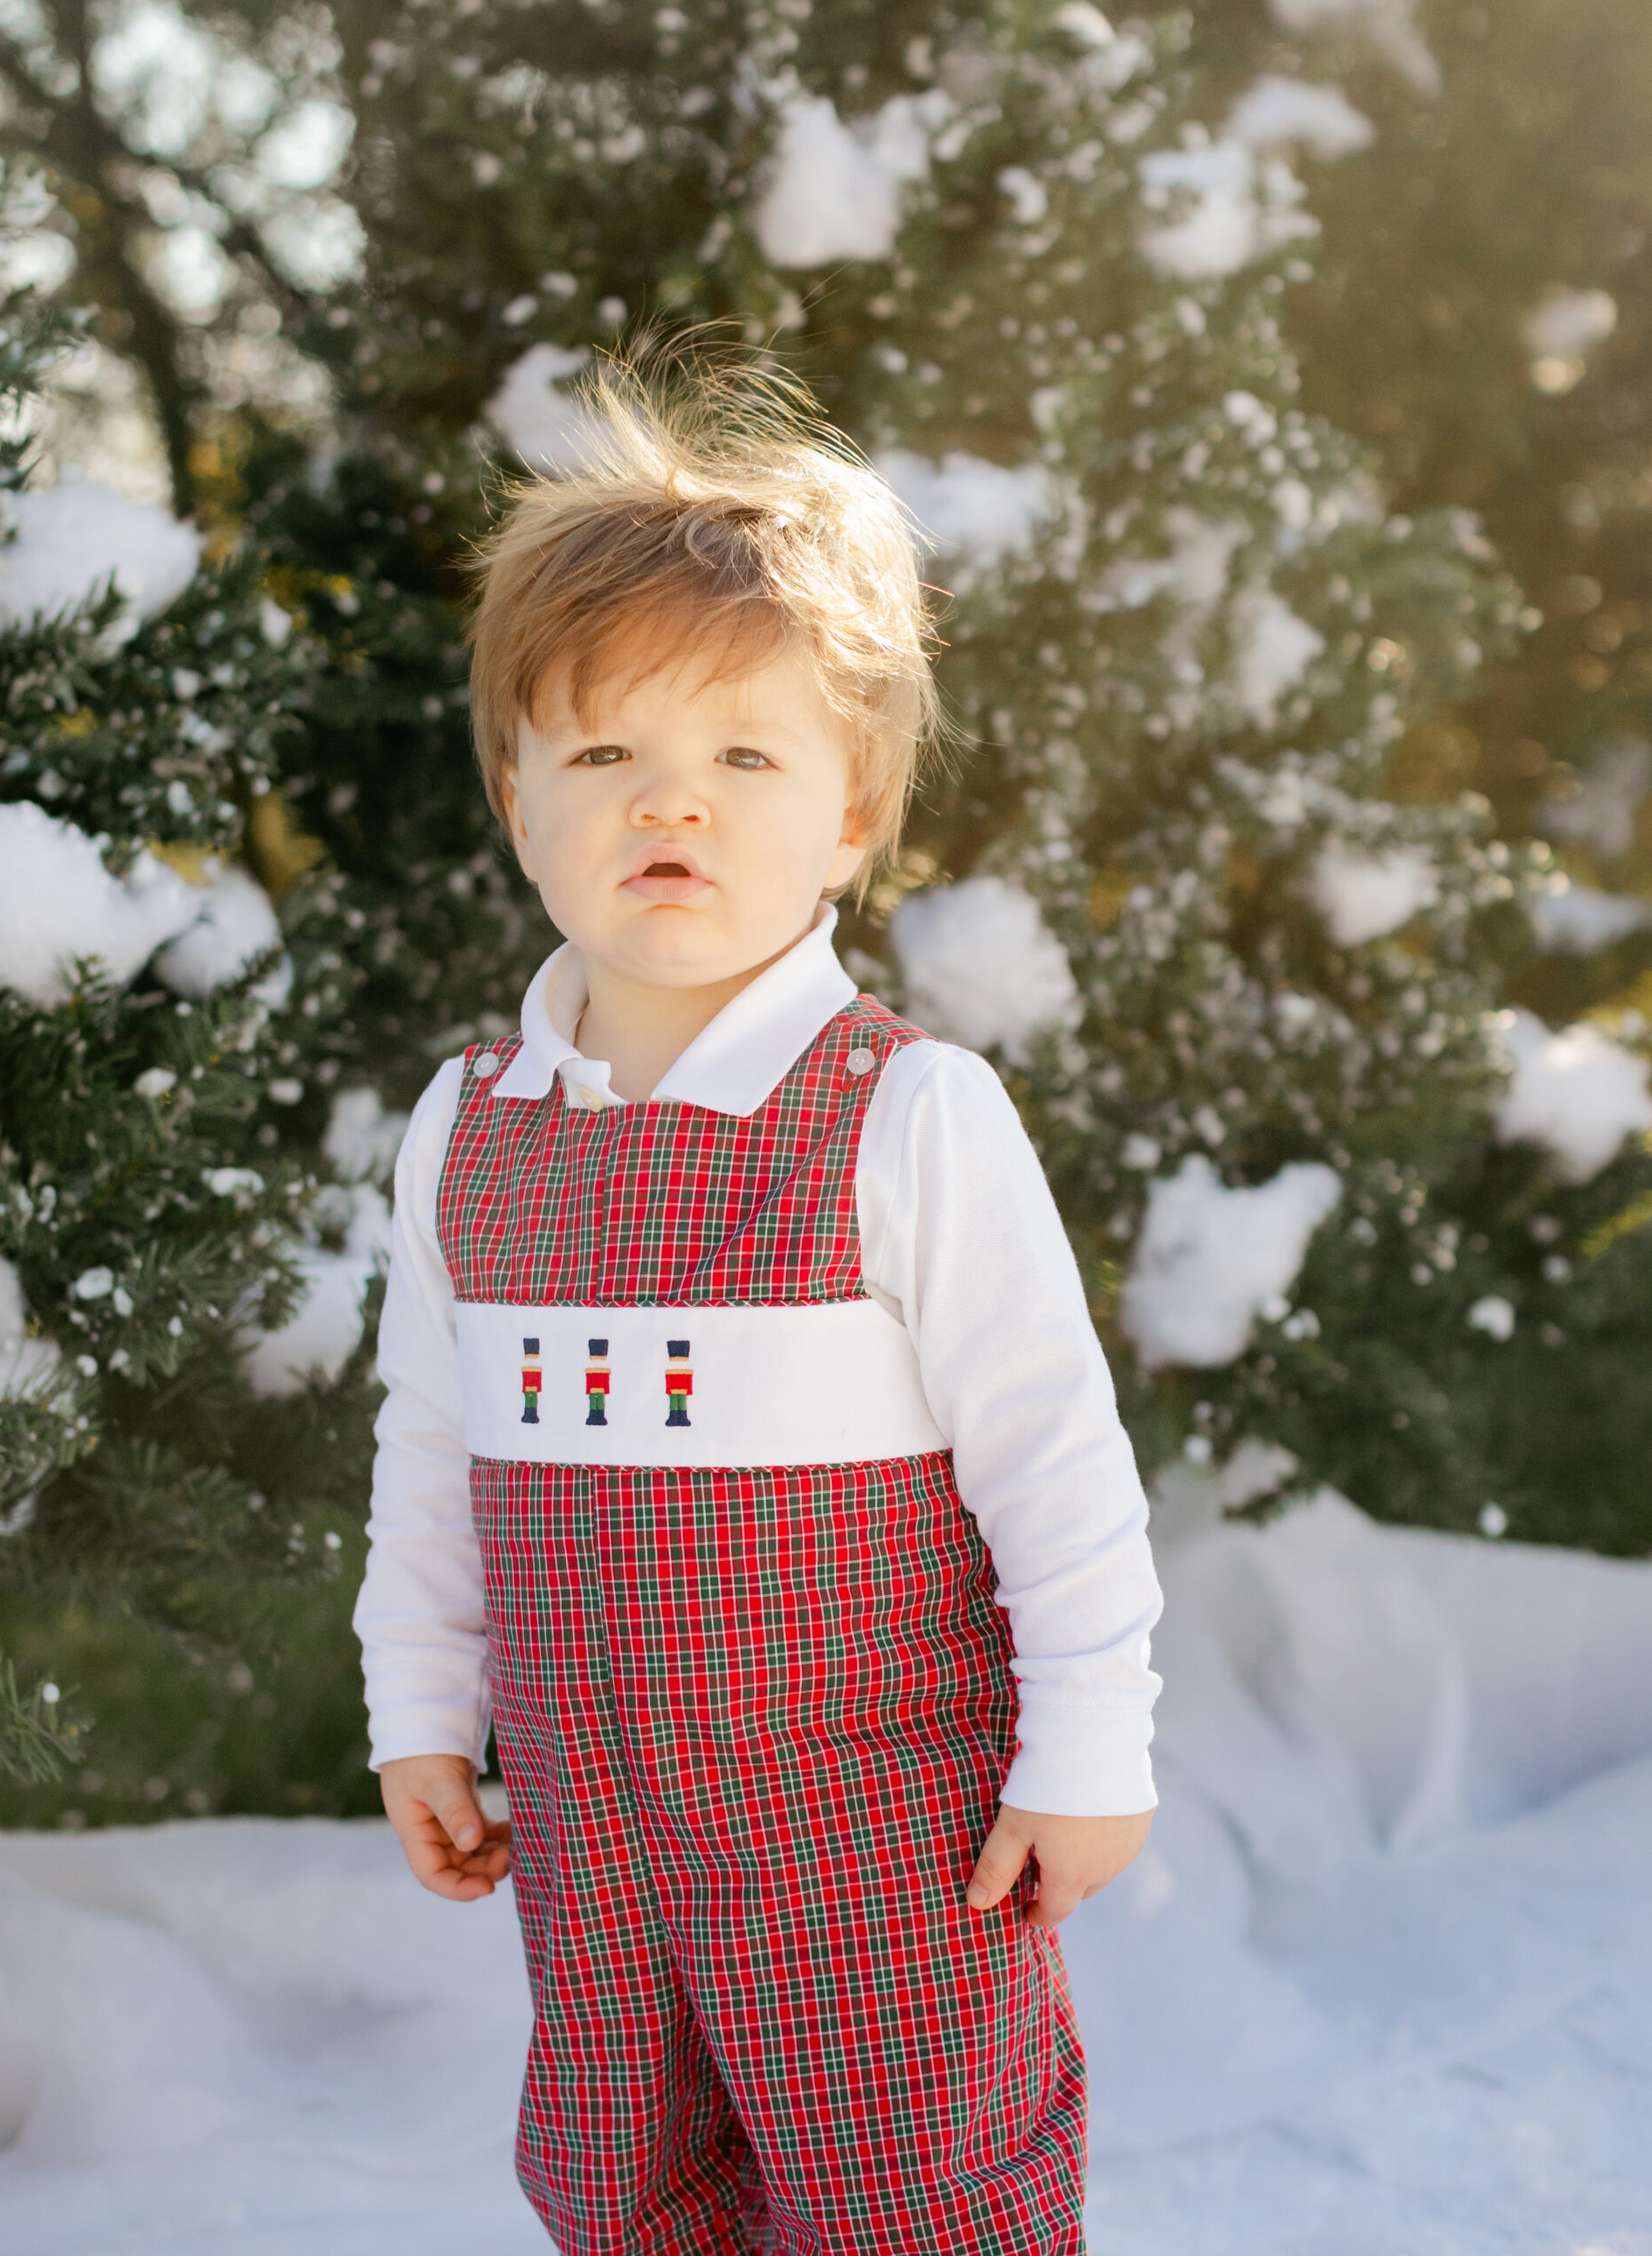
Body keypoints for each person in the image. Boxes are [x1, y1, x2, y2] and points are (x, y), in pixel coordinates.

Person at [353, 351, 1163, 2255]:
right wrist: (418, 1705)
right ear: (517, 795)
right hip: (591, 1824)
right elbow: (431, 1439)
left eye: (743, 757)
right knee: (626, 2190)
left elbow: (1051, 1447)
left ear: (854, 805)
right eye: (608, 755)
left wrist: (1090, 1745)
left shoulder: (900, 1114)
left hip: (868, 1832)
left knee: (907, 2199)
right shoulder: (472, 1131)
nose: (674, 807)